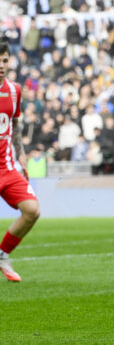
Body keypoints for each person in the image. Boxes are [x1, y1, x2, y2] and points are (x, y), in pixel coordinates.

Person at [0, 42, 41, 282]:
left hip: (7, 167)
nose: (1, 65)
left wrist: (22, 156)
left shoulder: (14, 90)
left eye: (4, 60)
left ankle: (3, 254)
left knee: (32, 211)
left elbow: (13, 127)